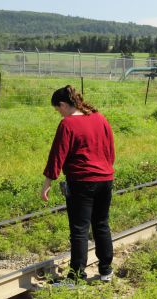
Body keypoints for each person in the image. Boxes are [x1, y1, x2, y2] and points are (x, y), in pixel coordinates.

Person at [41, 85, 115, 282]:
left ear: (64, 104)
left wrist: (48, 182)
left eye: (58, 110)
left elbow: (57, 155)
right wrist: (105, 168)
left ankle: (76, 277)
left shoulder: (68, 125)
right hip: (105, 179)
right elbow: (110, 148)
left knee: (79, 229)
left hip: (82, 182)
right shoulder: (100, 117)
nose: (59, 114)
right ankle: (106, 270)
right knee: (101, 224)